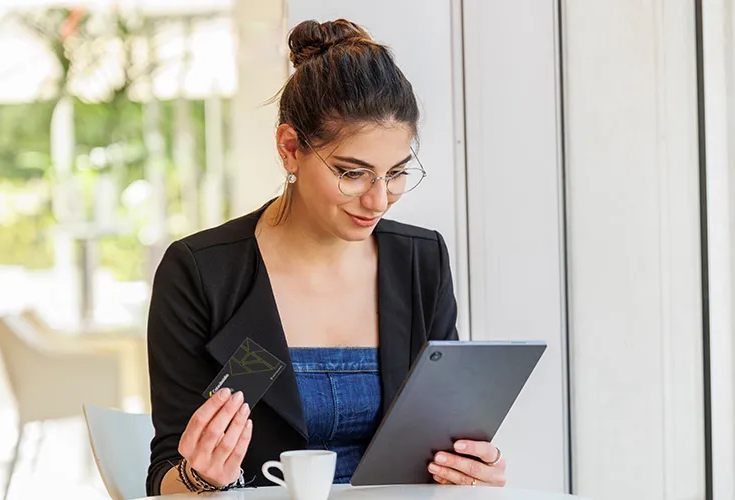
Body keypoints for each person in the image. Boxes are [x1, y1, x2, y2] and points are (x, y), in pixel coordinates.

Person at [145, 18, 507, 496]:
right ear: (290, 149)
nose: (378, 200)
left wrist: (473, 468)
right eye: (352, 173)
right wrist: (198, 477)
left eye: (396, 173)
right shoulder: (205, 272)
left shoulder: (420, 262)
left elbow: (443, 437)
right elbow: (166, 480)